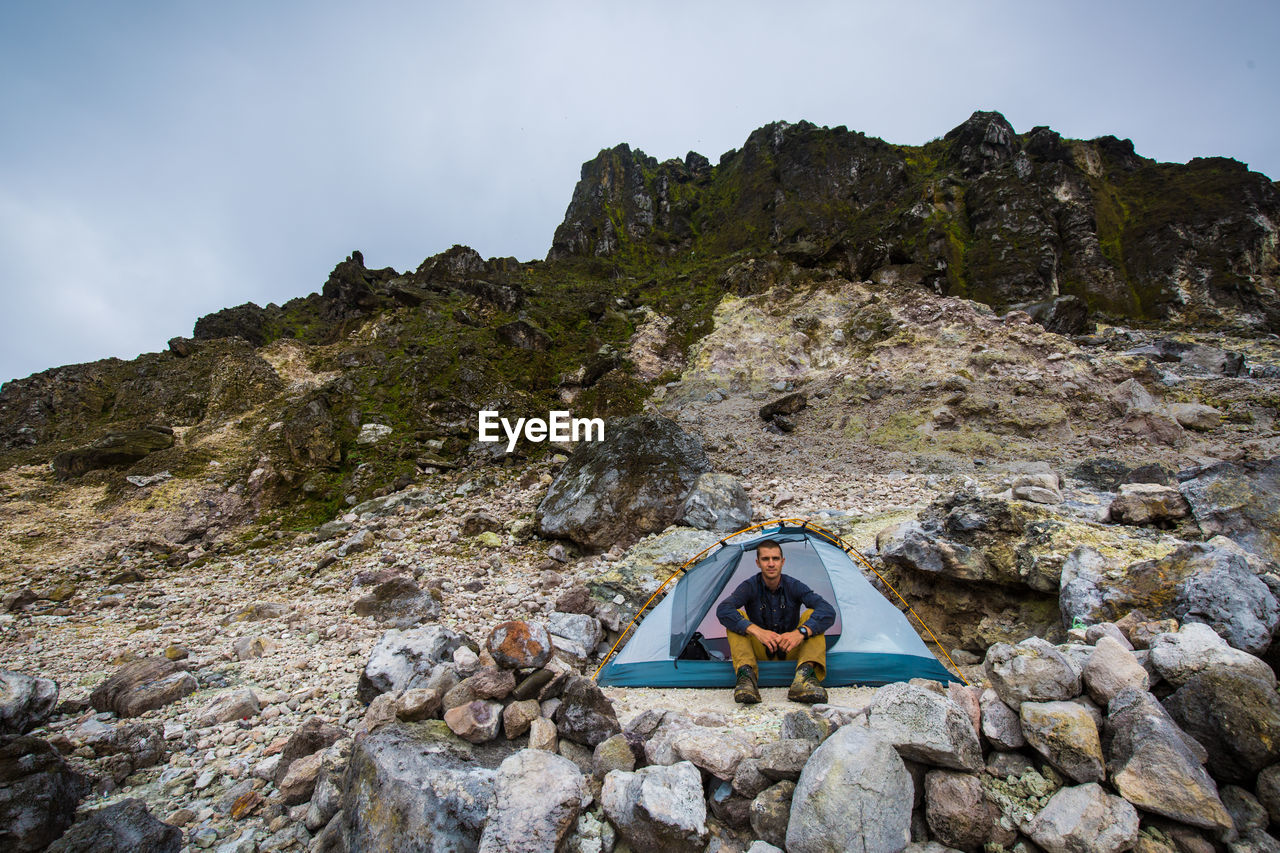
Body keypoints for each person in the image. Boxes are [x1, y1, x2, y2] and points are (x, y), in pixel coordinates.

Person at [715, 539, 835, 704]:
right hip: (759, 652)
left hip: (791, 649)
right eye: (765, 559)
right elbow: (723, 610)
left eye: (775, 559)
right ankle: (746, 679)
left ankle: (804, 678)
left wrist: (799, 633)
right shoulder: (749, 586)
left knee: (812, 616)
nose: (771, 564)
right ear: (758, 563)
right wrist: (756, 631)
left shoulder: (793, 585)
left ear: (782, 561)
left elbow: (827, 610)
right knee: (736, 618)